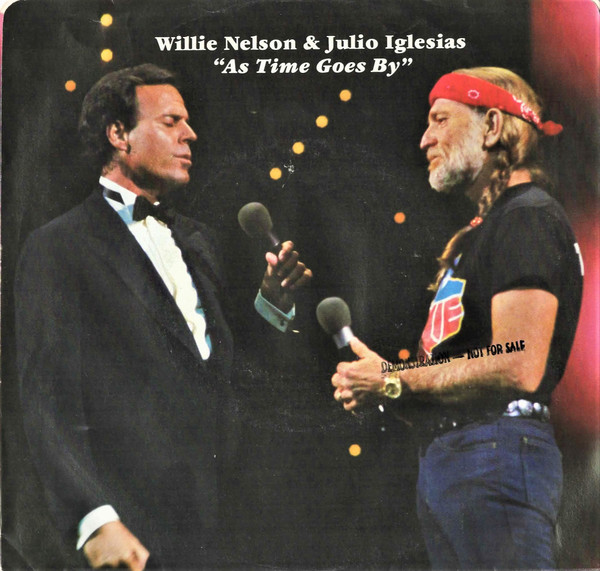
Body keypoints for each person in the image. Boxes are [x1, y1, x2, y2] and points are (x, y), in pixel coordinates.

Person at [14, 63, 312, 569]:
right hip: (133, 525)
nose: (190, 134)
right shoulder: (58, 246)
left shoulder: (199, 240)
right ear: (119, 135)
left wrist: (271, 303)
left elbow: (224, 372)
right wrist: (95, 519)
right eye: (172, 122)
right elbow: (48, 402)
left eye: (187, 123)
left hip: (228, 521)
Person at [331, 67, 583, 569]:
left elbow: (518, 362)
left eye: (440, 119)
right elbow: (468, 367)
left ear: (492, 126)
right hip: (464, 458)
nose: (425, 139)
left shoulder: (527, 216)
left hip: (492, 453)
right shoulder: (491, 227)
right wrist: (383, 385)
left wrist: (395, 379)